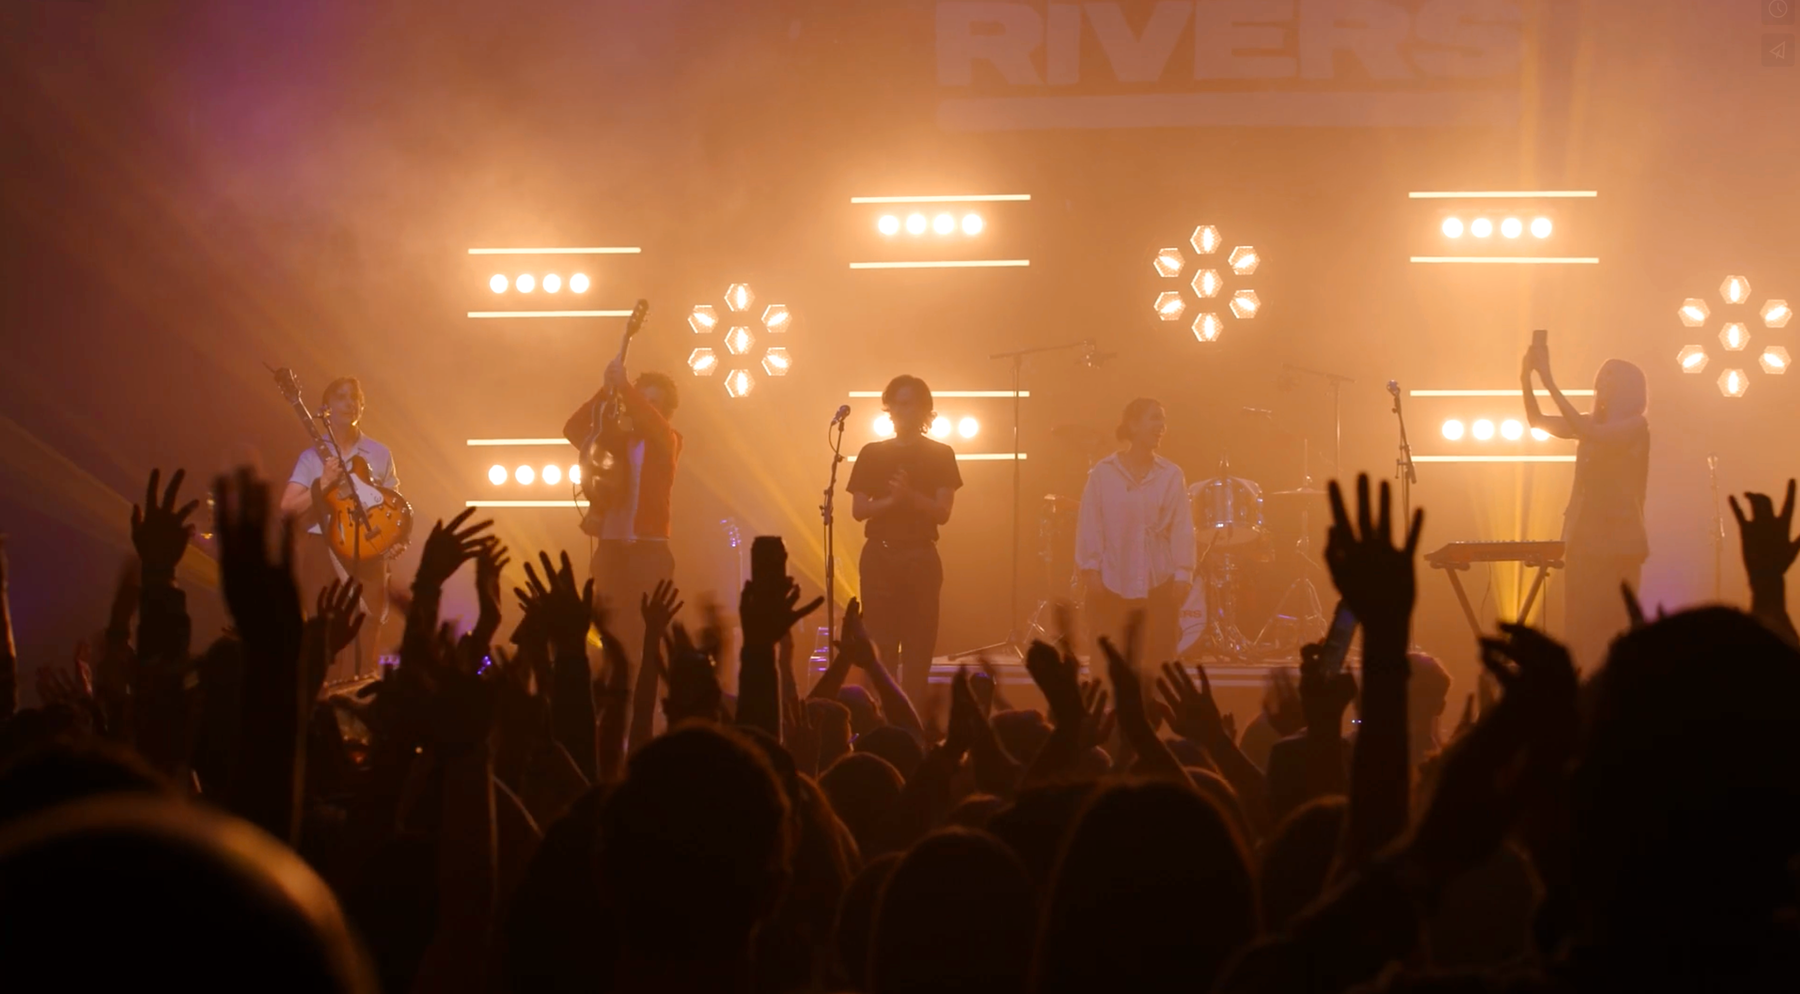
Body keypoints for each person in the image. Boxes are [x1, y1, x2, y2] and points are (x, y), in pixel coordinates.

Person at [1520, 346, 1649, 667]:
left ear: (1629, 386)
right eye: (1601, 373)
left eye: (1611, 374)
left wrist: (1548, 380)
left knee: (1615, 628)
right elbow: (1536, 421)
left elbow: (1590, 432)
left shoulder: (1635, 425)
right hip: (1583, 541)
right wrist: (1526, 379)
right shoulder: (1591, 423)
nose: (1602, 379)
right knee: (1579, 628)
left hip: (1619, 543)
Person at [848, 375, 962, 704]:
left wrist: (910, 497)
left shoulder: (941, 454)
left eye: (909, 402)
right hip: (878, 557)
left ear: (924, 409)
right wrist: (894, 501)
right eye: (896, 402)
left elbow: (943, 512)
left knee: (918, 648)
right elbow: (859, 510)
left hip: (920, 557)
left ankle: (911, 723)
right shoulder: (871, 453)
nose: (901, 410)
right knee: (879, 645)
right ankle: (879, 720)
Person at [279, 376, 401, 681]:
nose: (350, 403)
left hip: (371, 549)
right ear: (327, 408)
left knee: (369, 627)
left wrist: (400, 538)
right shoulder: (310, 458)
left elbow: (395, 504)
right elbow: (287, 508)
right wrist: (323, 485)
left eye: (355, 397)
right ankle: (322, 705)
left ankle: (360, 700)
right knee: (326, 626)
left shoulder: (380, 453)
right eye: (342, 397)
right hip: (325, 550)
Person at [563, 358, 682, 667]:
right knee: (610, 635)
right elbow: (573, 429)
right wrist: (607, 391)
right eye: (642, 399)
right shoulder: (613, 439)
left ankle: (646, 703)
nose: (643, 406)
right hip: (613, 548)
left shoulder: (667, 439)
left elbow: (653, 423)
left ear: (665, 410)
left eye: (652, 402)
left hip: (649, 549)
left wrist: (627, 388)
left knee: (645, 636)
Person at [1074, 398, 1194, 668]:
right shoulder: (1103, 474)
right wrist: (1090, 570)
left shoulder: (1171, 475)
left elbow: (1182, 528)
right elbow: (1090, 524)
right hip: (1111, 585)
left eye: (1163, 420)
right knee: (1109, 670)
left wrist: (1184, 574)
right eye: (1154, 418)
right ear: (1132, 424)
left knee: (1158, 668)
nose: (1161, 426)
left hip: (1159, 586)